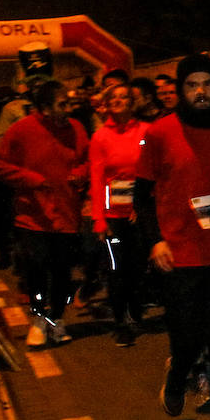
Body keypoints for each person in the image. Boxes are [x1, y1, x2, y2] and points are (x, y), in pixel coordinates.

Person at [135, 53, 210, 420]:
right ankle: (178, 370)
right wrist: (155, 240)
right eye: (192, 85)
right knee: (185, 338)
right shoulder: (160, 132)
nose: (201, 92)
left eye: (208, 84)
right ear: (181, 91)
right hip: (180, 254)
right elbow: (141, 195)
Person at [0, 80, 89, 347]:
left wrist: (80, 174)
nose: (69, 108)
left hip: (66, 213)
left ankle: (57, 319)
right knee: (36, 269)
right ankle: (38, 319)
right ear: (45, 108)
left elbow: (86, 159)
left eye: (69, 102)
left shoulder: (77, 128)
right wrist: (32, 179)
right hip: (33, 215)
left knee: (62, 272)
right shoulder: (22, 130)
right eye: (62, 104)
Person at [88, 83, 150, 346]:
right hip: (113, 213)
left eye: (124, 97)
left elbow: (151, 172)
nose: (119, 101)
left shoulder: (146, 131)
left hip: (139, 212)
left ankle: (135, 312)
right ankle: (120, 321)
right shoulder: (101, 137)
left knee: (137, 268)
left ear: (132, 102)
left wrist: (142, 205)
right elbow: (98, 178)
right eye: (113, 97)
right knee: (116, 268)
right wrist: (99, 218)